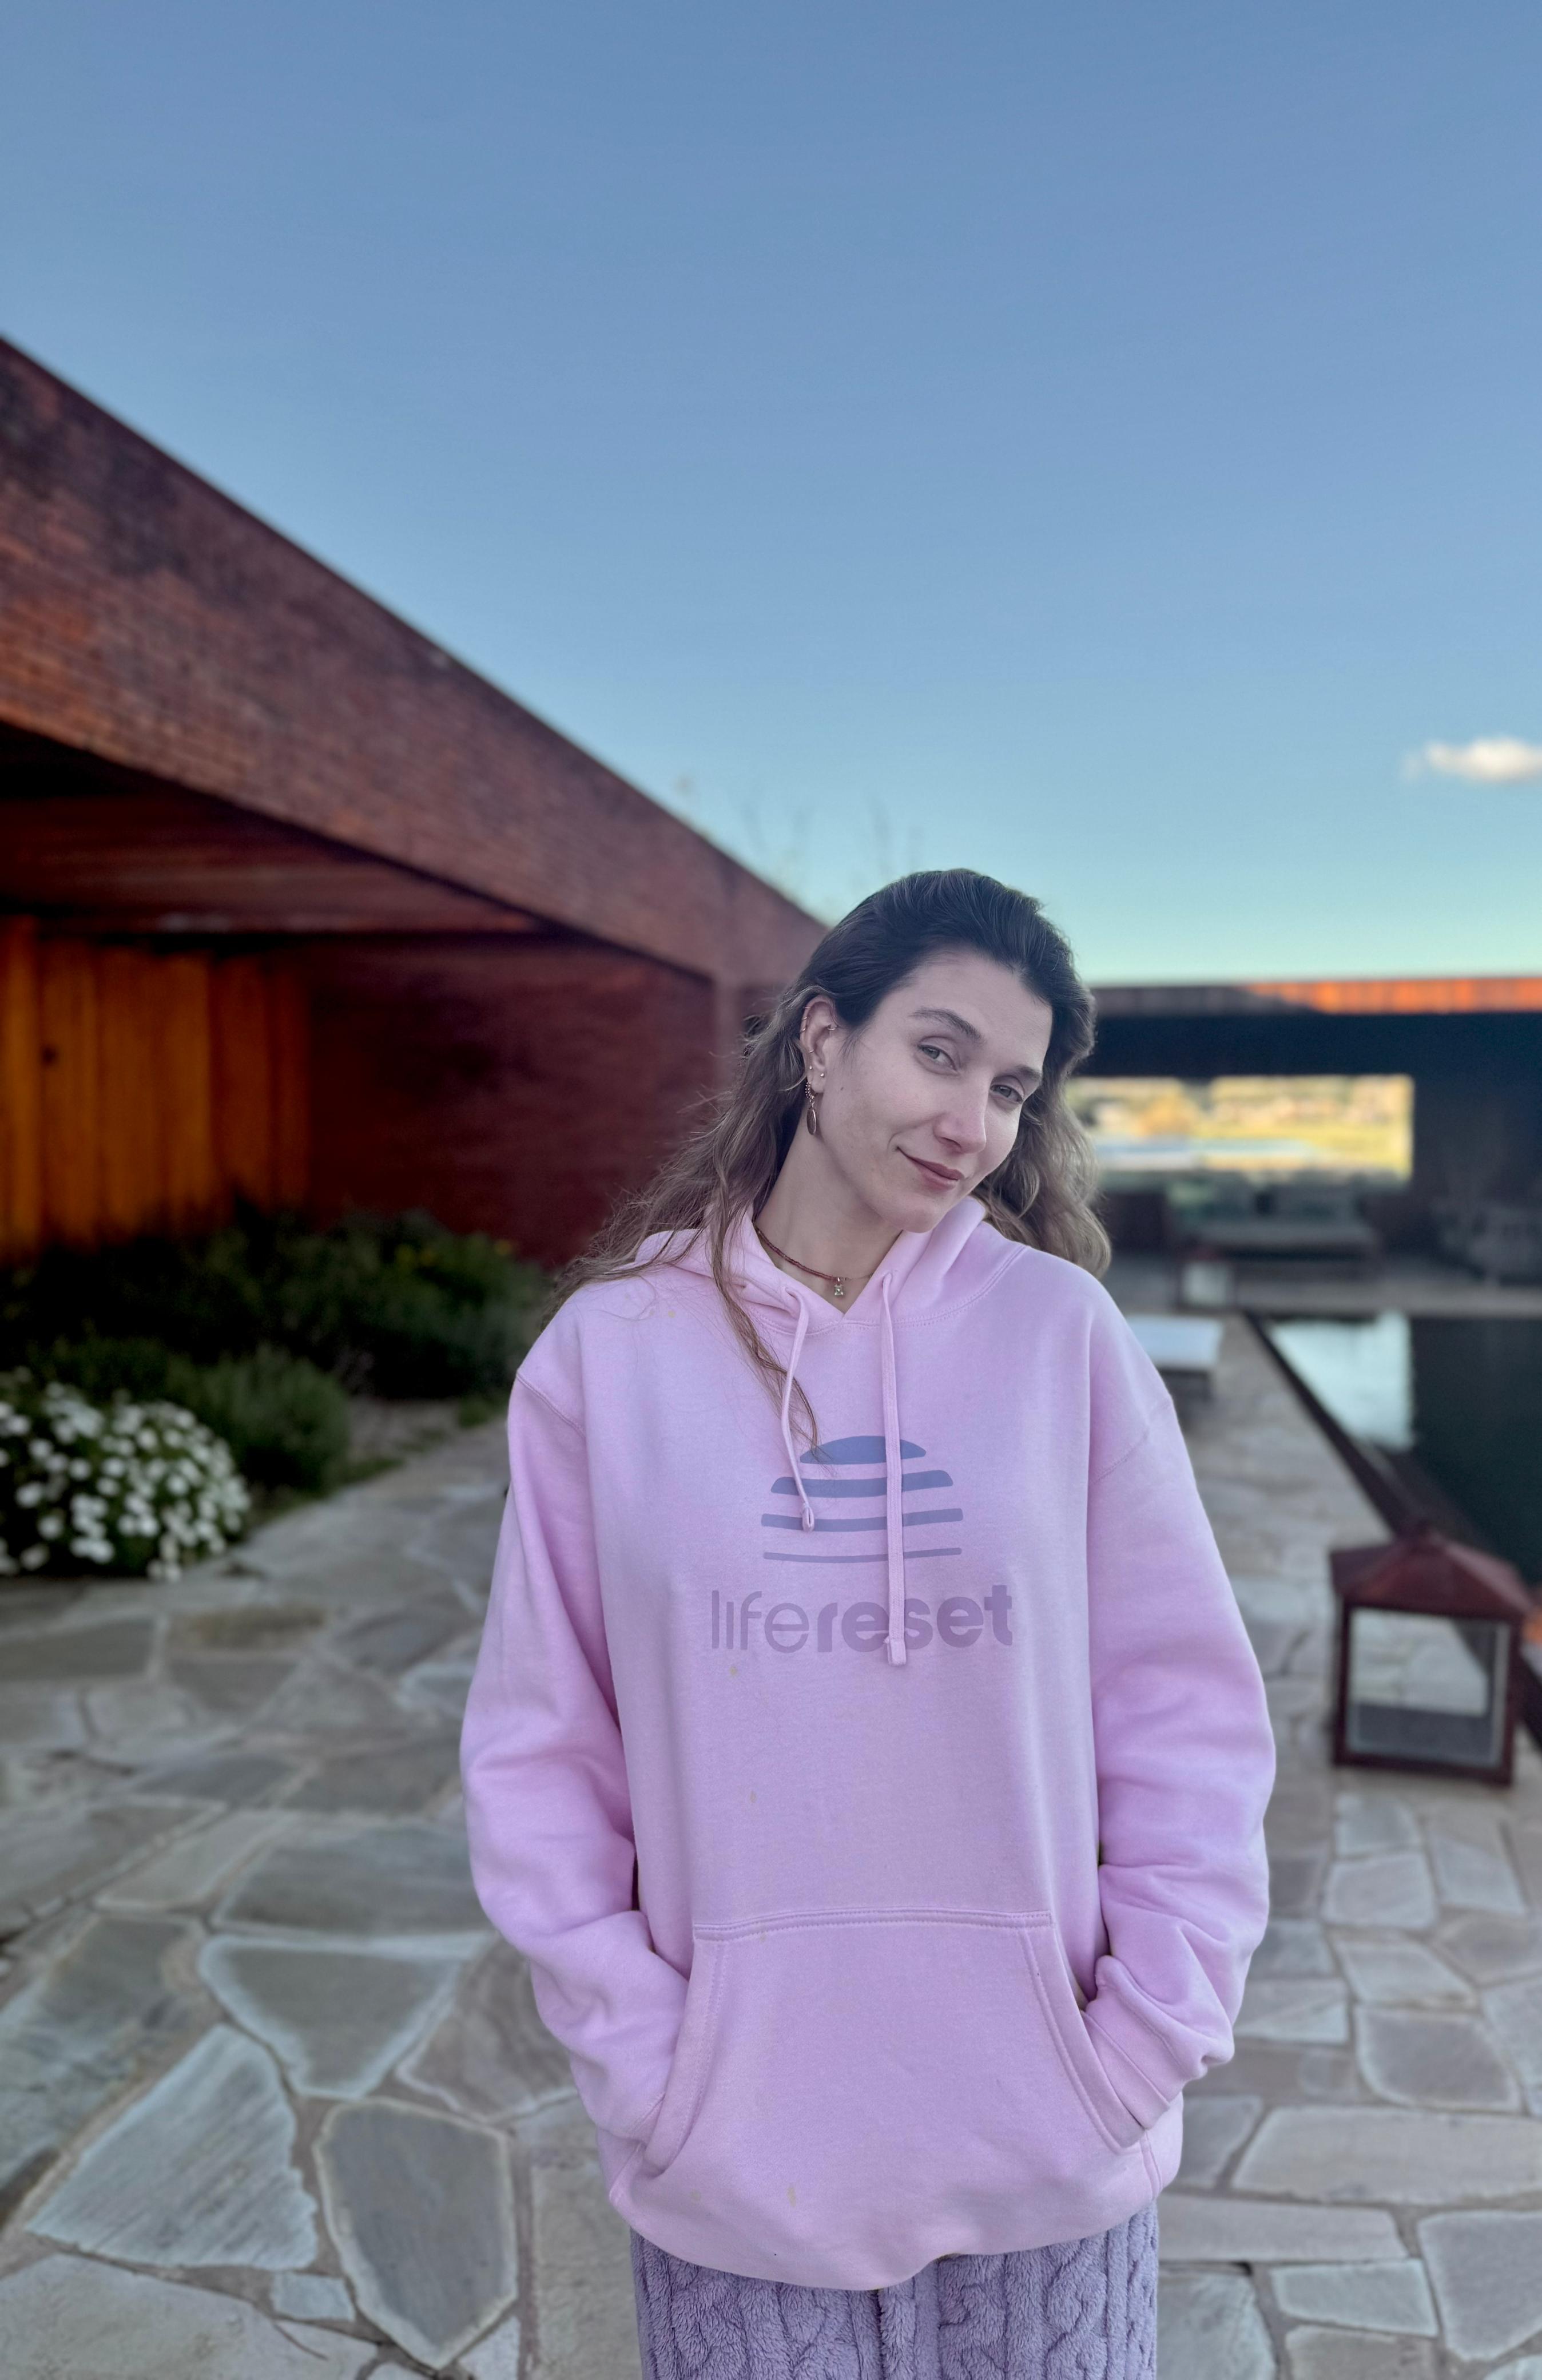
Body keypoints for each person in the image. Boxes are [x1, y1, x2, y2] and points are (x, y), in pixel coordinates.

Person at [458, 868, 1275, 2378]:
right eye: (941, 1051)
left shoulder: (1060, 1341)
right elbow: (543, 1751)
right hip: (740, 2166)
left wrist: (1143, 2040)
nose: (973, 1120)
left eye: (1014, 1085)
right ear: (821, 1041)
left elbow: (1185, 1716)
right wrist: (658, 2073)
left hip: (1050, 2141)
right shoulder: (608, 1359)